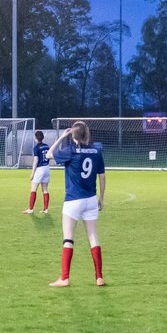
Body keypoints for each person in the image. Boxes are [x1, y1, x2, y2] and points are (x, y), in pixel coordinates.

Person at [48, 122, 106, 287]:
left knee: (68, 238)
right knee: (93, 237)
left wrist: (62, 137)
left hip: (73, 199)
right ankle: (99, 277)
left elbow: (49, 155)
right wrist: (101, 198)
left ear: (73, 134)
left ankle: (65, 278)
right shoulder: (96, 151)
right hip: (90, 199)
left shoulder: (70, 151)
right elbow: (102, 177)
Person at [25, 129, 51, 214]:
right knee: (45, 189)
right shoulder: (47, 146)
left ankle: (30, 209)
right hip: (47, 167)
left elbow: (35, 160)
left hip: (40, 169)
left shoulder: (36, 148)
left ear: (36, 138)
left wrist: (32, 173)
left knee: (33, 189)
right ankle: (46, 209)